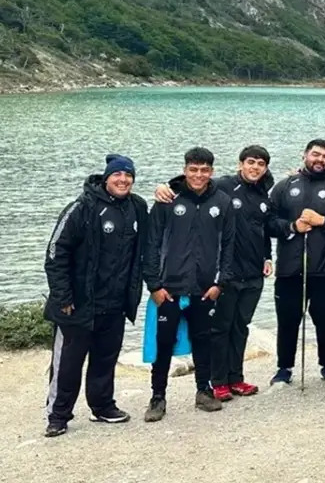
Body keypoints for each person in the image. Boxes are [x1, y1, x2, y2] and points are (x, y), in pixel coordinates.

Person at [42, 154, 147, 438]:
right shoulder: (82, 207)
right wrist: (63, 297)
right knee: (67, 364)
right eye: (118, 175)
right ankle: (57, 414)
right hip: (77, 304)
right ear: (106, 177)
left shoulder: (137, 207)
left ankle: (102, 406)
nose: (123, 180)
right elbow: (55, 253)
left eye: (128, 176)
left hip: (114, 304)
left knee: (105, 359)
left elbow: (148, 247)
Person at [142, 147, 234, 422]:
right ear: (185, 170)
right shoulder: (167, 200)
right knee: (163, 343)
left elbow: (229, 246)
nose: (198, 174)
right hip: (169, 288)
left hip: (205, 288)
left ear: (211, 172)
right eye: (193, 169)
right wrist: (154, 286)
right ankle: (158, 397)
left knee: (203, 341)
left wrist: (221, 283)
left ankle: (203, 391)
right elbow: (152, 245)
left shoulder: (223, 202)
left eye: (204, 169)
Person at [266, 139, 325, 386]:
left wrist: (323, 221)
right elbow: (269, 222)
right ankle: (284, 367)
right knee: (288, 319)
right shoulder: (286, 185)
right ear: (305, 155)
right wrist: (292, 226)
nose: (321, 160)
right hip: (289, 268)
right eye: (316, 154)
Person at [209, 145, 274, 400]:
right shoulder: (224, 186)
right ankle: (218, 381)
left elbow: (264, 230)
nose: (255, 167)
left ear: (265, 168)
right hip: (228, 271)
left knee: (240, 326)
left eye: (260, 163)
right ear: (240, 164)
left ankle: (236, 377)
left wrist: (268, 256)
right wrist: (166, 188)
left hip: (254, 273)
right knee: (221, 326)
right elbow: (194, 186)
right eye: (251, 162)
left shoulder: (263, 196)